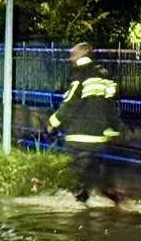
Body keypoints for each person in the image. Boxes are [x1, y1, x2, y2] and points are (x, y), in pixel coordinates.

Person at [48, 42, 124, 204]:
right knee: (91, 167)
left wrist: (53, 122)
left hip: (79, 134)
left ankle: (79, 198)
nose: (70, 58)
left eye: (73, 55)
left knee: (75, 171)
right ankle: (106, 191)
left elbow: (70, 103)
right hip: (98, 135)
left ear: (81, 55)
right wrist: (116, 128)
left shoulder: (79, 75)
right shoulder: (104, 75)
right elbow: (110, 105)